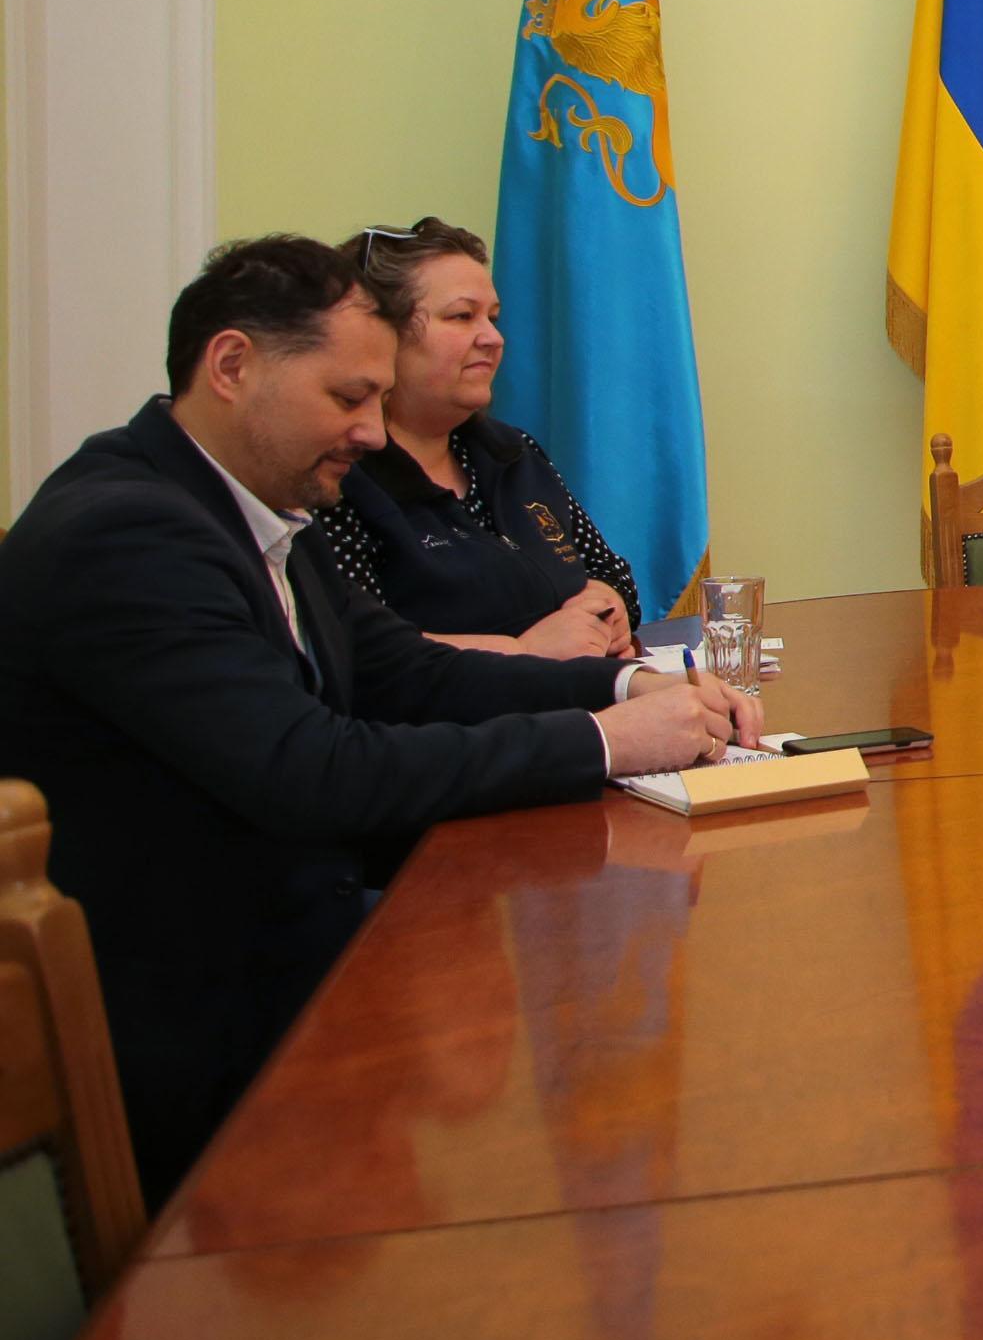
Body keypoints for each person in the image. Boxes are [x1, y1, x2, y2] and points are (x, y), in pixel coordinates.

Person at [0, 237, 758, 1202]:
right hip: (200, 1035)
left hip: (300, 953)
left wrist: (619, 691)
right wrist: (604, 744)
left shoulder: (260, 504)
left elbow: (406, 673)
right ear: (232, 366)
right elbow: (311, 772)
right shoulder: (127, 531)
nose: (370, 433)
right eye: (348, 398)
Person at [299, 217, 641, 654]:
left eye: (493, 318)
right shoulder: (338, 474)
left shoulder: (512, 452)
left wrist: (608, 607)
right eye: (462, 316)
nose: (494, 338)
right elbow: (353, 647)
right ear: (381, 335)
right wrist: (521, 651)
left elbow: (611, 573)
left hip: (584, 691)